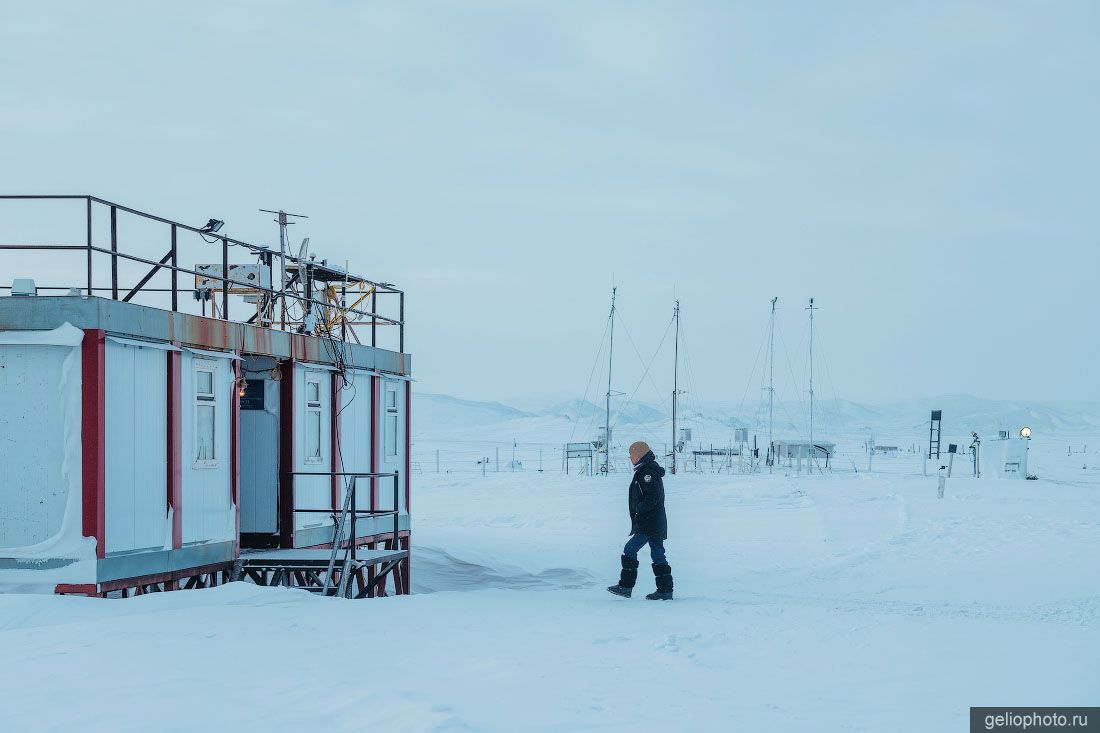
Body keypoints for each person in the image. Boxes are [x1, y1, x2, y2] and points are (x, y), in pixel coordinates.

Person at [607, 440, 674, 600]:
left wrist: (640, 508)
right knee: (658, 554)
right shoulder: (646, 469)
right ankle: (665, 590)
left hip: (649, 523)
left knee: (630, 549)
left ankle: (625, 586)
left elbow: (654, 495)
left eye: (632, 455)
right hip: (655, 522)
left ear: (640, 455)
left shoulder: (646, 473)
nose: (630, 458)